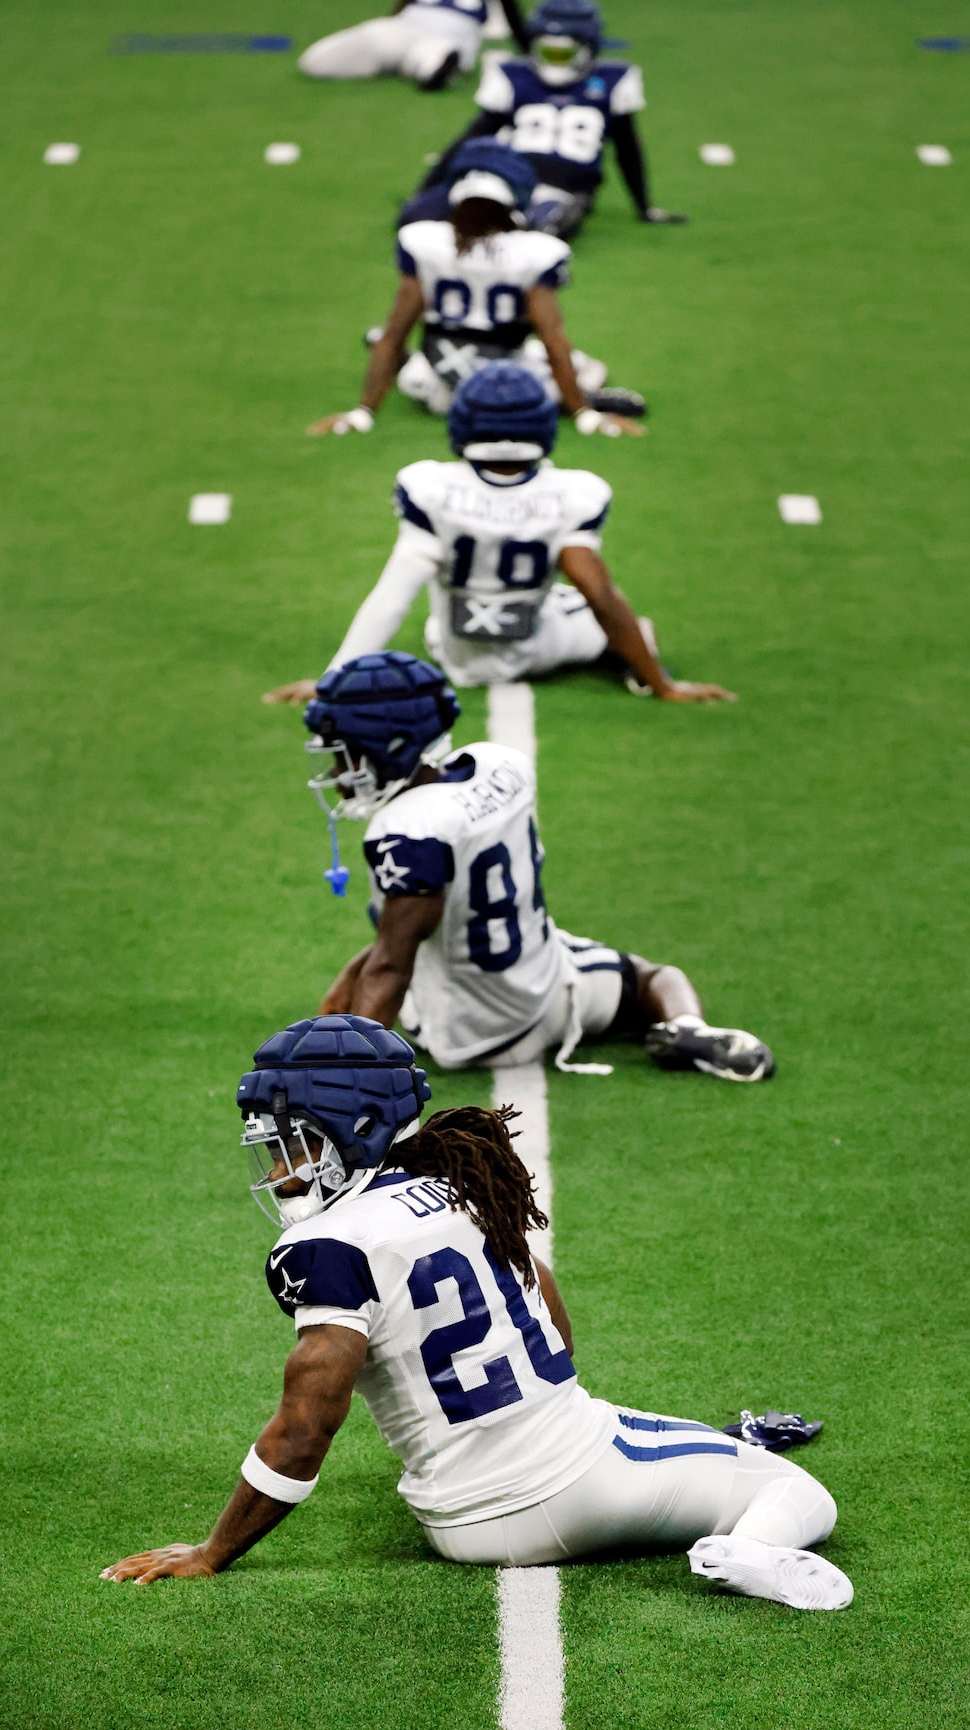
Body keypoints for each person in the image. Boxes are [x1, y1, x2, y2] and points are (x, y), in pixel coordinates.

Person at [101, 1017, 848, 1605]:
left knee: (663, 1444)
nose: (278, 1168)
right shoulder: (464, 1183)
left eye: (291, 1144)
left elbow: (306, 1425)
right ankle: (744, 1554)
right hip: (572, 1476)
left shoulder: (326, 1242)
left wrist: (213, 1549)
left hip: (460, 1521)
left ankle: (711, 1507)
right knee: (799, 1493)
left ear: (353, 1129)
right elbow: (547, 1321)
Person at [295, 652, 775, 1080]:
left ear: (391, 747)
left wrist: (348, 1072)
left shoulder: (406, 829)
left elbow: (392, 963)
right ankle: (689, 1027)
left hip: (458, 1032)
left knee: (398, 956)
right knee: (655, 978)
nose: (337, 774)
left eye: (343, 757)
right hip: (547, 989)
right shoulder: (501, 764)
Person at [273, 365, 729, 701]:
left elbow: (392, 597)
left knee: (441, 617)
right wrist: (664, 684)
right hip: (532, 648)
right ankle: (638, 667)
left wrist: (331, 683)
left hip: (453, 650)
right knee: (610, 617)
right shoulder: (574, 493)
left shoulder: (430, 487)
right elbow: (596, 589)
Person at [310, 140, 645, 435]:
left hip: (441, 391)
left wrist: (363, 413)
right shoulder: (533, 251)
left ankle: (410, 364)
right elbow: (553, 340)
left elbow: (394, 334)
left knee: (414, 374)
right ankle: (584, 397)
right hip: (508, 385)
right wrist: (585, 415)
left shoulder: (426, 242)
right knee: (585, 368)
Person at [412, 0, 687, 237]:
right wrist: (425, 192)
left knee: (546, 221)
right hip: (513, 175)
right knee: (423, 215)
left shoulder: (612, 81)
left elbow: (628, 149)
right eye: (547, 52)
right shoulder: (515, 77)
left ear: (586, 48)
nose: (554, 63)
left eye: (562, 54)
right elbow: (471, 139)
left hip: (567, 188)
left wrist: (644, 206)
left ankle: (519, 223)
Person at [298, 0, 527, 93]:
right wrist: (527, 50)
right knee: (428, 53)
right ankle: (432, 64)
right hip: (443, 30)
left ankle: (435, 64)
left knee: (430, 52)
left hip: (416, 23)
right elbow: (513, 17)